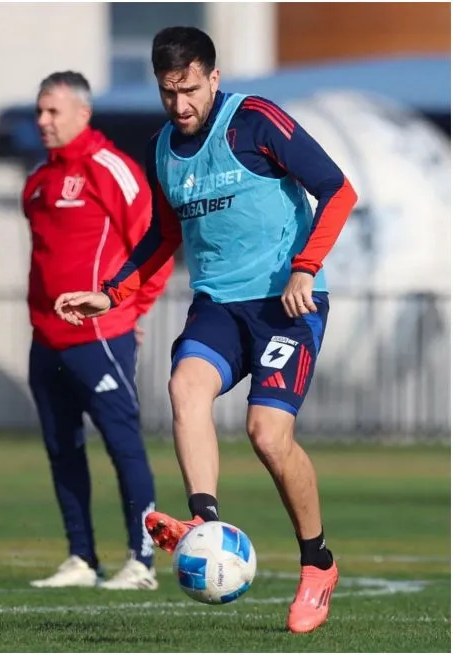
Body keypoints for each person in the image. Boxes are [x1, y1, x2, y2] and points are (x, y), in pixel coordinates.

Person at [54, 27, 357, 632]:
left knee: (267, 434)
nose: (180, 105)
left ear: (213, 79)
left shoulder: (257, 121)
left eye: (190, 90)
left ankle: (317, 563)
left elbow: (338, 190)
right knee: (184, 388)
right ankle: (204, 521)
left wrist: (305, 267)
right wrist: (110, 293)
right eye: (169, 93)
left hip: (284, 304)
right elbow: (162, 238)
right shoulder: (163, 146)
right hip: (218, 306)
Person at [23, 72, 173, 591]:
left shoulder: (114, 170)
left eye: (52, 111)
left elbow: (155, 250)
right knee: (61, 449)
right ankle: (82, 557)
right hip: (45, 343)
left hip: (100, 337)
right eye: (39, 111)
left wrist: (131, 313)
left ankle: (142, 561)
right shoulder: (38, 181)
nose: (42, 120)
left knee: (122, 445)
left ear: (83, 114)